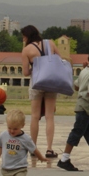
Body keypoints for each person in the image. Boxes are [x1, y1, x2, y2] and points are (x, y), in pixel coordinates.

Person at [21, 25, 60, 159]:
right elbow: (58, 61)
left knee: (35, 116)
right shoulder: (50, 43)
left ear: (27, 36)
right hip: (51, 83)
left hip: (37, 83)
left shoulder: (27, 50)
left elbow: (26, 72)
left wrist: (36, 68)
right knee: (50, 116)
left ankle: (33, 148)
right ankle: (49, 149)